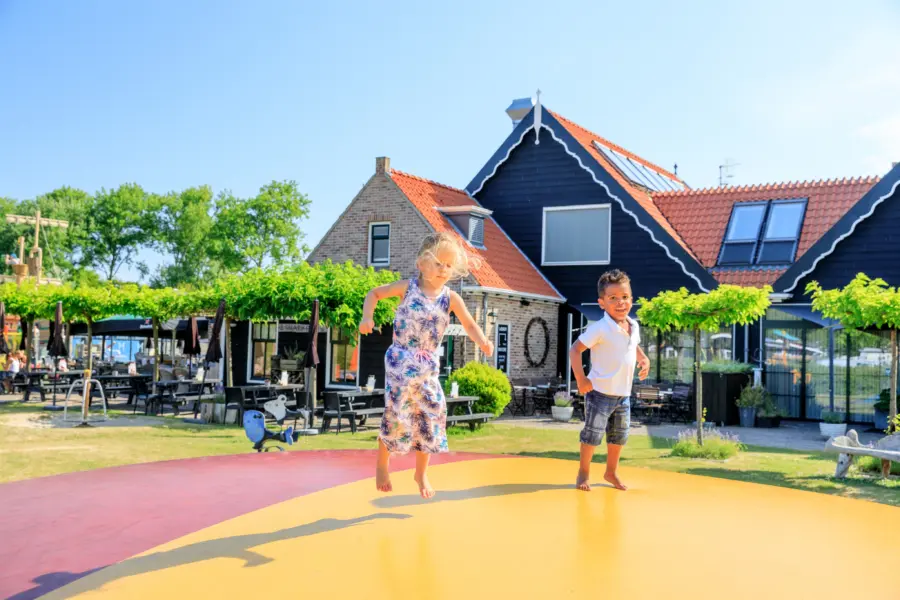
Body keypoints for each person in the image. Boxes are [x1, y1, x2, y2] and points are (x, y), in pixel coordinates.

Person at [359, 232, 494, 499]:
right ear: (422, 263)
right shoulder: (406, 288)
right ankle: (382, 464)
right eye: (438, 263)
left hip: (427, 366)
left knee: (431, 413)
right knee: (398, 413)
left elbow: (468, 323)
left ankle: (420, 472)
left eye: (449, 265)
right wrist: (367, 317)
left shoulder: (450, 298)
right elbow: (373, 294)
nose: (444, 270)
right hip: (401, 361)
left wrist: (483, 341)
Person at [569, 270, 650, 492]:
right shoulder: (600, 328)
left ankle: (610, 472)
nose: (620, 302)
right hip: (599, 393)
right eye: (613, 298)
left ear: (631, 299)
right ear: (602, 303)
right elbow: (575, 350)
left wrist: (643, 358)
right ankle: (583, 472)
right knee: (592, 434)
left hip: (623, 394)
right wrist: (581, 379)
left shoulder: (633, 326)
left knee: (619, 437)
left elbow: (632, 345)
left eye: (624, 297)